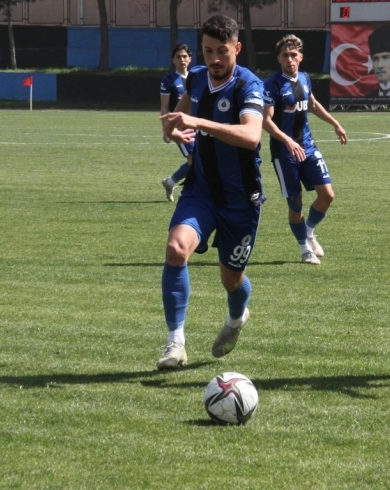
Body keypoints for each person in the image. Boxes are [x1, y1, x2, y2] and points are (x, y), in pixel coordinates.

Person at [157, 14, 266, 369]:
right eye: (208, 51)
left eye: (222, 51)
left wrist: (200, 122)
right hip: (201, 190)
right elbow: (177, 120)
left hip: (240, 200)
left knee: (231, 280)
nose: (214, 59)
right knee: (176, 249)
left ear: (237, 48)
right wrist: (173, 130)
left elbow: (251, 136)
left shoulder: (248, 85)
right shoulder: (197, 78)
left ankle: (237, 317)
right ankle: (175, 343)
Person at [263, 34, 347, 265]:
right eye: (285, 55)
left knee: (327, 195)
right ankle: (304, 249)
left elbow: (312, 104)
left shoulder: (304, 78)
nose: (289, 59)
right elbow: (266, 121)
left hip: (308, 146)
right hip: (284, 152)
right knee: (295, 202)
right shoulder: (272, 85)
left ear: (301, 56)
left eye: (293, 55)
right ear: (279, 59)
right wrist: (288, 141)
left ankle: (309, 231)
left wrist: (335, 123)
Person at [160, 44, 193, 202]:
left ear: (190, 59)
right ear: (173, 60)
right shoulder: (168, 80)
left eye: (185, 56)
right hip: (179, 128)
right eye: (178, 57)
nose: (182, 59)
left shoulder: (196, 77)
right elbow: (164, 106)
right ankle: (190, 194)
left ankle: (170, 182)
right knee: (194, 161)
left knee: (201, 159)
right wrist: (166, 129)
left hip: (197, 125)